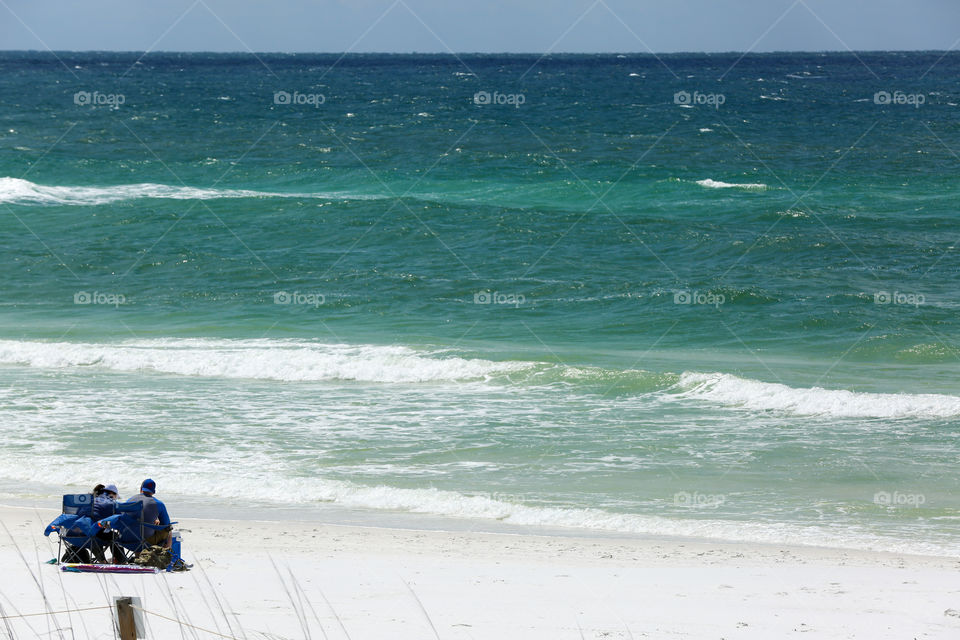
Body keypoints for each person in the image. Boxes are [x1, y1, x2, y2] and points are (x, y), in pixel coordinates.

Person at [123, 478, 172, 548]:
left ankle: (138, 554)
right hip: (146, 541)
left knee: (137, 529)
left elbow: (123, 516)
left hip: (127, 539)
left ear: (141, 489)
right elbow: (166, 524)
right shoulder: (158, 504)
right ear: (153, 492)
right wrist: (153, 524)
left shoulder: (130, 500)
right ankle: (165, 554)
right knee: (169, 531)